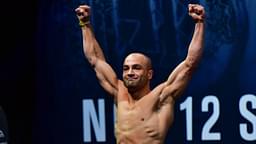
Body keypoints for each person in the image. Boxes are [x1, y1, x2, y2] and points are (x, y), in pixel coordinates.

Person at [75, 3, 205, 144]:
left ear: (149, 74)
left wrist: (199, 23)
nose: (130, 72)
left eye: (136, 68)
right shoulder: (119, 92)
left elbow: (190, 64)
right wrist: (85, 23)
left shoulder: (162, 97)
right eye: (126, 68)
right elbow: (94, 59)